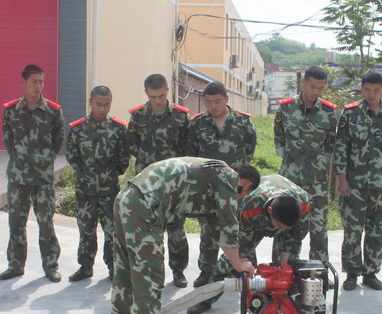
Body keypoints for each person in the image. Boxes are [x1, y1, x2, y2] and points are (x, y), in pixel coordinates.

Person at [111, 157, 255, 314]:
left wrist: (235, 257)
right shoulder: (229, 177)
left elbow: (218, 229)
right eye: (242, 195)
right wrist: (238, 264)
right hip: (145, 206)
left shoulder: (212, 172)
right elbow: (229, 224)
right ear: (246, 185)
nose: (238, 199)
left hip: (127, 197)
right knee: (149, 280)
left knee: (125, 271)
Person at [188, 166, 311, 314]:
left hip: (284, 210)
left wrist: (282, 267)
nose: (282, 230)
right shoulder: (250, 208)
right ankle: (205, 300)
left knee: (288, 268)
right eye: (279, 226)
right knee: (233, 263)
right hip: (253, 222)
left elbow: (294, 239)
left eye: (286, 228)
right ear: (271, 210)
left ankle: (288, 304)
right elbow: (238, 246)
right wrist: (246, 268)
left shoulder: (303, 205)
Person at [334, 70, 382, 291]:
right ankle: (352, 273)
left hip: (381, 185)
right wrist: (342, 179)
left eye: (376, 90)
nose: (371, 94)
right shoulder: (350, 113)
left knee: (377, 231)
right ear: (361, 89)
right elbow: (341, 147)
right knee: (352, 231)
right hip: (354, 185)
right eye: (367, 90)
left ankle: (371, 272)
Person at [0, 64, 65, 282]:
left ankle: (50, 266)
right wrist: (20, 160)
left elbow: (58, 139)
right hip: (18, 177)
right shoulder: (11, 110)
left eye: (41, 81)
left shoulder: (53, 111)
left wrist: (45, 160)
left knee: (45, 222)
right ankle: (16, 265)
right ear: (23, 82)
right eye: (34, 81)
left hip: (43, 178)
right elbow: (8, 140)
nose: (38, 85)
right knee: (16, 222)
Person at [188, 81, 257, 287]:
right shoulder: (197, 124)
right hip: (207, 189)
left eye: (217, 101)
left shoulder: (243, 122)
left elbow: (249, 152)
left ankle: (240, 269)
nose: (213, 106)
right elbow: (192, 155)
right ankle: (206, 272)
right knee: (208, 233)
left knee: (237, 229)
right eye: (208, 102)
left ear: (226, 99)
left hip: (235, 189)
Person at [126, 74, 190, 288]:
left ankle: (179, 271)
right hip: (147, 183)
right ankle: (153, 273)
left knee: (176, 229)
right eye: (153, 97)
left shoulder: (180, 116)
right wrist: (148, 163)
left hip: (173, 182)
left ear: (168, 91)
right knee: (149, 228)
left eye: (161, 96)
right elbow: (131, 145)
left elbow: (187, 147)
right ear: (146, 93)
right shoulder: (137, 116)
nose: (158, 101)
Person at [274, 66, 338, 264]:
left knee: (318, 227)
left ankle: (319, 270)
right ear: (304, 82)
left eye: (320, 88)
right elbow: (279, 138)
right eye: (312, 86)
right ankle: (283, 268)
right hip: (289, 179)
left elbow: (329, 144)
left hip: (316, 180)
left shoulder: (328, 112)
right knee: (286, 223)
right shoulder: (285, 108)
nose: (315, 92)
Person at [66, 86, 130, 282]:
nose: (102, 109)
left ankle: (113, 268)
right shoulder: (77, 128)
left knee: (112, 232)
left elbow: (123, 158)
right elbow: (72, 155)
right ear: (90, 102)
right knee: (86, 230)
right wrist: (86, 174)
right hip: (85, 190)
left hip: (109, 190)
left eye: (106, 104)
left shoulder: (118, 129)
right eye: (98, 104)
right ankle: (85, 267)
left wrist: (111, 174)